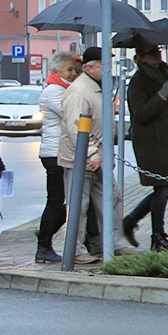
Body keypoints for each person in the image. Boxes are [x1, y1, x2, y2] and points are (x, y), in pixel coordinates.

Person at [58, 46, 139, 263]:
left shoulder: (97, 88)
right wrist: (93, 153)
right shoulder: (79, 91)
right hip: (81, 158)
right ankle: (74, 250)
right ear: (90, 68)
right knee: (79, 206)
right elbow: (77, 127)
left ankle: (116, 243)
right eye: (104, 65)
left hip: (99, 158)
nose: (108, 69)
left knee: (112, 198)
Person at [122, 44, 168, 252]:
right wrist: (162, 95)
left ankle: (130, 221)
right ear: (142, 58)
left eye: (159, 51)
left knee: (167, 186)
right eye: (153, 53)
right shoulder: (138, 82)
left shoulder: (163, 76)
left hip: (167, 141)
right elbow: (141, 114)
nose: (158, 56)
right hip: (152, 144)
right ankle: (157, 236)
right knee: (163, 186)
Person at [34, 51, 79, 263]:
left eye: (75, 70)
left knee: (64, 201)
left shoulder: (64, 89)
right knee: (56, 201)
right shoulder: (54, 91)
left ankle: (46, 235)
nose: (73, 74)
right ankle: (43, 244)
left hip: (61, 151)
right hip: (54, 153)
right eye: (69, 70)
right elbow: (72, 114)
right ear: (55, 71)